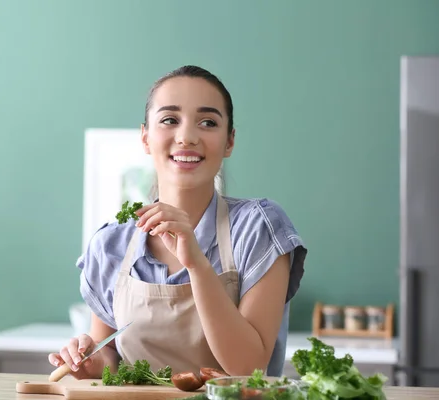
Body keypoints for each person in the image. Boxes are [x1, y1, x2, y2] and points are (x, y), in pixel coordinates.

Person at [48, 65, 307, 379]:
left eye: (208, 122)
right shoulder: (110, 246)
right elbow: (110, 355)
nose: (187, 137)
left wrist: (196, 263)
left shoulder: (259, 229)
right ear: (145, 137)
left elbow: (249, 367)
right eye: (169, 120)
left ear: (229, 142)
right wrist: (89, 360)